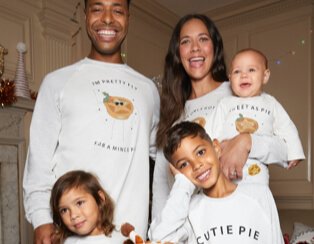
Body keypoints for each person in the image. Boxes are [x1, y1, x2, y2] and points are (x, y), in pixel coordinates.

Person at [23, 0, 160, 243]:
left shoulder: (148, 90)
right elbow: (39, 162)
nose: (107, 18)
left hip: (130, 236)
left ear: (128, 17)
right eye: (97, 9)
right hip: (72, 236)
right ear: (85, 15)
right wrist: (42, 219)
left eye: (117, 10)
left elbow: (161, 164)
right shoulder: (57, 82)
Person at [152, 14, 288, 219]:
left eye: (203, 39)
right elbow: (162, 188)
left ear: (215, 47)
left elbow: (286, 151)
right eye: (186, 41)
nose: (195, 47)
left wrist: (247, 141)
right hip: (190, 230)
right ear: (178, 54)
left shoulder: (239, 92)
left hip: (239, 221)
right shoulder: (172, 112)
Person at [149, 121, 284, 244]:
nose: (196, 165)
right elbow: (159, 238)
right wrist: (182, 185)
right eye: (184, 164)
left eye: (200, 152)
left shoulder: (259, 194)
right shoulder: (187, 211)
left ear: (217, 148)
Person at [207, 48, 305, 184]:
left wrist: (294, 152)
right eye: (237, 71)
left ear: (265, 76)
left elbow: (286, 127)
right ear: (230, 79)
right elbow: (210, 131)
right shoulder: (225, 103)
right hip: (226, 168)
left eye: (251, 70)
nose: (244, 75)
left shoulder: (271, 103)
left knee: (257, 195)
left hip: (258, 171)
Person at [50, 170, 118, 243]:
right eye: (64, 210)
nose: (73, 215)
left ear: (100, 198)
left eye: (79, 203)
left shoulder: (121, 238)